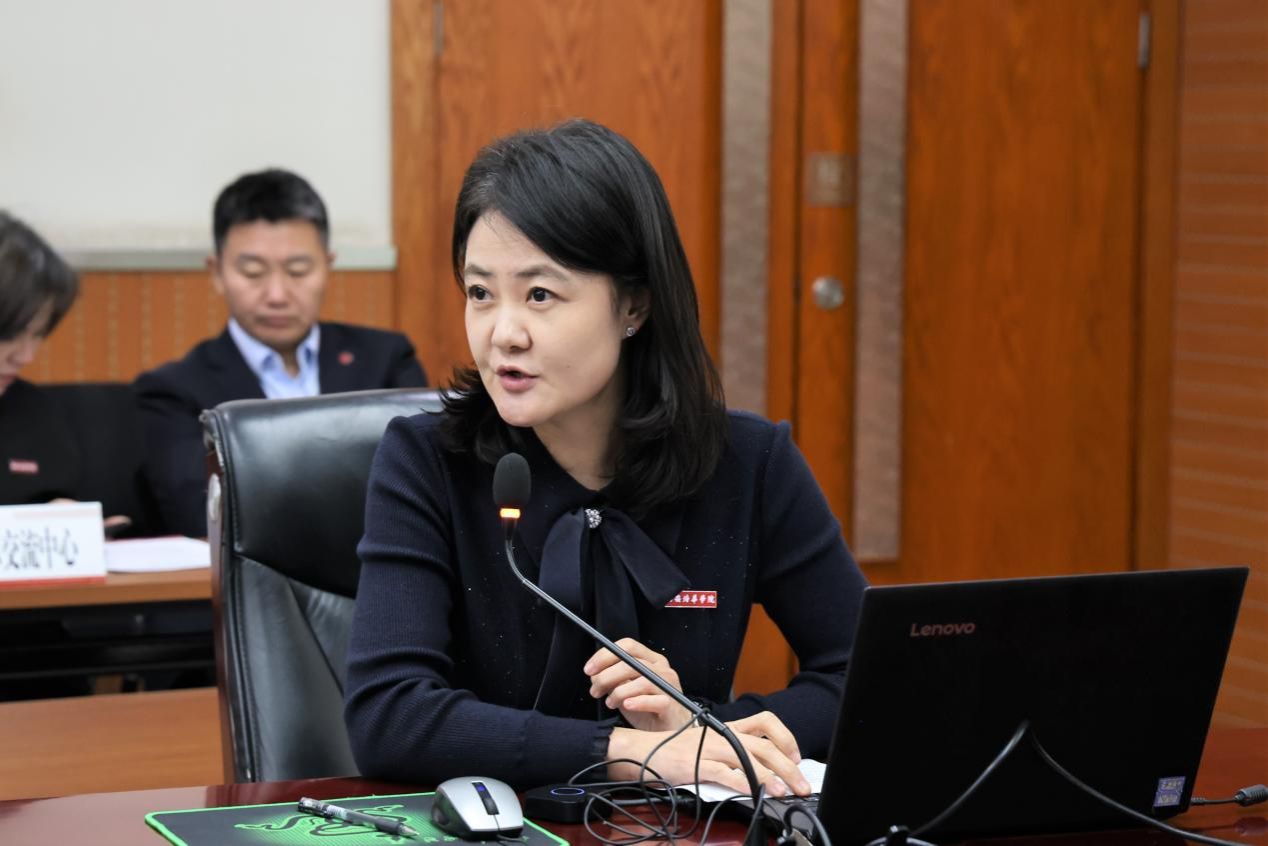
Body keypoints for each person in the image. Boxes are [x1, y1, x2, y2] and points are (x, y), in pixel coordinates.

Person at [345, 120, 868, 797]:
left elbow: (866, 675)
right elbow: (389, 714)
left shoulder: (748, 463)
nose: (503, 333)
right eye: (480, 293)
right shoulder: (426, 461)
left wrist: (704, 729)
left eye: (540, 294)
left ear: (634, 305)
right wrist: (628, 752)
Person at [135, 168, 428, 537]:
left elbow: (423, 486)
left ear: (328, 266)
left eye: (298, 270)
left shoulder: (386, 360)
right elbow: (201, 514)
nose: (276, 294)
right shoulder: (173, 392)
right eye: (253, 272)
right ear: (217, 272)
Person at [0, 211, 81, 505]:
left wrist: (73, 522)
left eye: (37, 335)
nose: (26, 356)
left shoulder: (35, 414)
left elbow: (55, 497)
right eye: (10, 333)